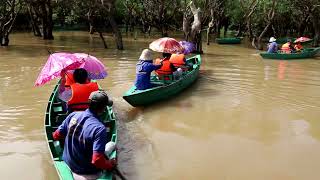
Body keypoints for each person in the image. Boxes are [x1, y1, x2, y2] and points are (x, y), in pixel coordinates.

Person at [53, 90, 116, 179]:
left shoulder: (73, 115)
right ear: (103, 108)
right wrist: (110, 164)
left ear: (88, 103)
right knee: (112, 144)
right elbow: (97, 160)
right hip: (86, 172)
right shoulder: (99, 128)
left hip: (68, 163)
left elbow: (56, 135)